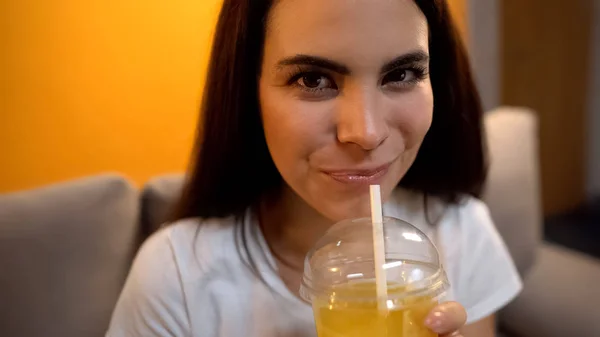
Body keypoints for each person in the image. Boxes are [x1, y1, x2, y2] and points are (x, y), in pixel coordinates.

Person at [107, 0, 522, 336]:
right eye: (312, 80)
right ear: (247, 91)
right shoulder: (175, 278)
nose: (367, 132)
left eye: (402, 73)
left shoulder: (461, 232)